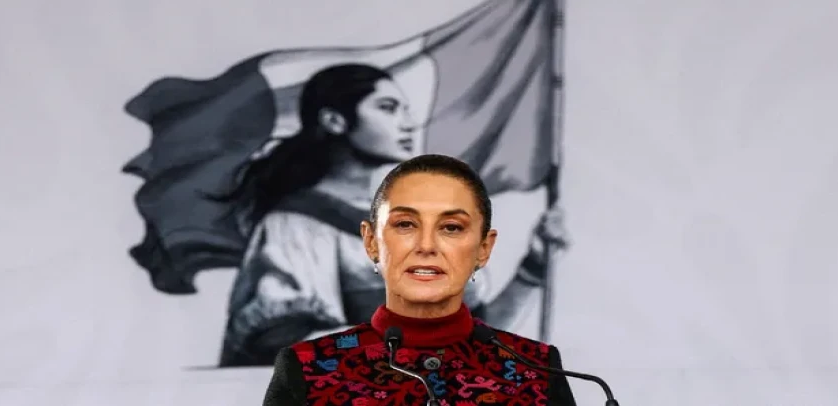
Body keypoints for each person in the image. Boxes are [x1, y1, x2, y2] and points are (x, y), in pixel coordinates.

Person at [218, 63, 567, 368]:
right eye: (388, 108)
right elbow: (286, 345)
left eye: (405, 109)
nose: (408, 124)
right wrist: (415, 346)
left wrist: (533, 268)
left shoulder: (413, 225)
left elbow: (475, 346)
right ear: (335, 120)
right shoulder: (296, 224)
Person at [262, 154, 576, 405]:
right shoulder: (308, 369)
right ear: (372, 242)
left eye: (451, 227)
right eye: (405, 224)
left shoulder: (536, 370)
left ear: (483, 248)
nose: (426, 246)